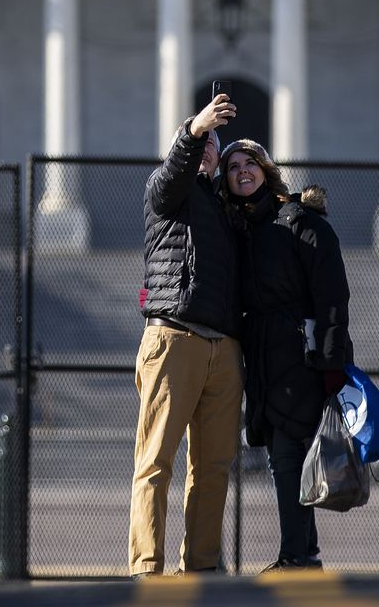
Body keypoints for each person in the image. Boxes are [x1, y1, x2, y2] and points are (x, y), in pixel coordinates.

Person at [220, 138, 351, 571]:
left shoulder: (299, 221)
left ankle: (297, 553)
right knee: (285, 454)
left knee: (288, 453)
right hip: (262, 359)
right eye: (233, 165)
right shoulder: (242, 230)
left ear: (266, 168)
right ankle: (303, 553)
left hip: (300, 356)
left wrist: (333, 365)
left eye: (250, 163)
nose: (242, 171)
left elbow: (332, 296)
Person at [129, 91, 242, 578]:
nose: (209, 149)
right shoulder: (167, 190)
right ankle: (146, 568)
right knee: (155, 461)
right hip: (174, 337)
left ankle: (201, 567)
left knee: (214, 469)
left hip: (223, 346)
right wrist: (193, 133)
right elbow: (170, 176)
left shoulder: (222, 206)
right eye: (204, 141)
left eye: (216, 145)